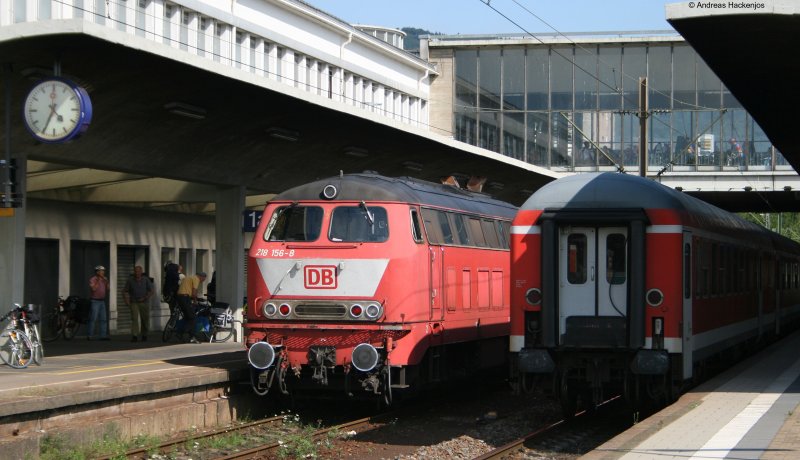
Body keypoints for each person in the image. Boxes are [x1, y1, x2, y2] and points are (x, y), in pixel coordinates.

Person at [124, 265, 154, 342]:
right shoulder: (130, 280)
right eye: (136, 271)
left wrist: (144, 298)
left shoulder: (146, 280)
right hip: (134, 302)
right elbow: (125, 291)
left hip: (144, 302)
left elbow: (151, 291)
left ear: (141, 272)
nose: (137, 273)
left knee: (145, 319)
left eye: (138, 271)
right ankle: (135, 335)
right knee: (134, 318)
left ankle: (144, 334)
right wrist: (127, 300)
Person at [176, 271, 207, 343]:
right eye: (203, 279)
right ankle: (183, 333)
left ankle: (190, 335)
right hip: (185, 298)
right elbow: (194, 292)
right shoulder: (196, 279)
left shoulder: (188, 277)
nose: (202, 281)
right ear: (201, 277)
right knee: (193, 317)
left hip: (180, 297)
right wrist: (195, 301)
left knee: (188, 317)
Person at [88, 265, 111, 341]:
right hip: (95, 301)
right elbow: (93, 289)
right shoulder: (93, 279)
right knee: (93, 318)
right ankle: (90, 335)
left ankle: (103, 336)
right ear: (97, 272)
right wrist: (98, 280)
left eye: (103, 271)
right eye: (101, 271)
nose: (103, 272)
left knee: (103, 319)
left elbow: (108, 289)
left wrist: (107, 282)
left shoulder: (104, 279)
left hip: (102, 301)